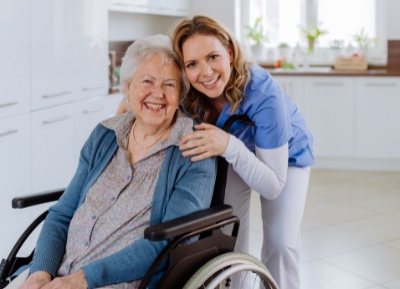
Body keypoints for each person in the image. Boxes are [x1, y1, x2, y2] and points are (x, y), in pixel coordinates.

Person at [9, 34, 217, 289]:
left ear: (180, 95)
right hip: (57, 273)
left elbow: (169, 243)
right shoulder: (105, 134)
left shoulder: (194, 150)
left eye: (169, 85)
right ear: (128, 88)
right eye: (147, 81)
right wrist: (40, 273)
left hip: (119, 281)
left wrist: (82, 280)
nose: (158, 93)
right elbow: (62, 215)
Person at [171, 15, 315, 289]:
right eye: (192, 64)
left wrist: (229, 145)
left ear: (230, 51)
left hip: (286, 158)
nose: (206, 72)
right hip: (228, 152)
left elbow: (272, 185)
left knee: (281, 244)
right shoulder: (188, 93)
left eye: (213, 56)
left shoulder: (262, 91)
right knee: (228, 237)